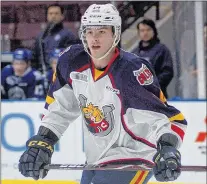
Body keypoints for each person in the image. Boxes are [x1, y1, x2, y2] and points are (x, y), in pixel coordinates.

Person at [18, 4, 187, 184]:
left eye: (101, 31)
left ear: (115, 34)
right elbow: (60, 108)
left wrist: (168, 148)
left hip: (134, 154)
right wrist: (44, 141)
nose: (94, 38)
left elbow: (170, 119)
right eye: (89, 32)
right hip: (96, 158)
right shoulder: (72, 61)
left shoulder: (132, 70)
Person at [32, 3, 79, 71]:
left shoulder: (68, 35)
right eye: (50, 13)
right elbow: (35, 56)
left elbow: (71, 57)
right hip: (43, 73)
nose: (53, 16)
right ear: (47, 16)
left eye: (56, 13)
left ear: (62, 16)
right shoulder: (41, 36)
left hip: (61, 72)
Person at [135, 19, 174, 98]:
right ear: (139, 33)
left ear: (154, 31)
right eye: (142, 30)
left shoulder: (162, 50)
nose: (145, 33)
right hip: (138, 97)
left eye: (148, 30)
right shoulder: (135, 53)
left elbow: (168, 72)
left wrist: (152, 86)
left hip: (157, 96)